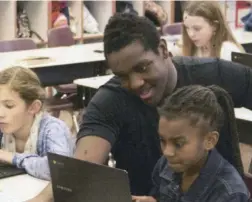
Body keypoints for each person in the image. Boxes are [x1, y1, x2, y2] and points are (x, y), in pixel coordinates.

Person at [29, 13, 252, 201]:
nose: (135, 83)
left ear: (163, 50)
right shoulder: (110, 101)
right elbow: (78, 172)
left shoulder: (217, 75)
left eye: (143, 67)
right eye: (122, 76)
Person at [132, 85, 249, 202]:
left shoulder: (229, 193)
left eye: (178, 144)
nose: (167, 152)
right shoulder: (166, 164)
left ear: (209, 141)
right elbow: (158, 194)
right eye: (163, 140)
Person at [0, 66, 73, 180]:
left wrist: (11, 158)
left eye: (9, 106)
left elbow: (59, 168)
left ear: (33, 107)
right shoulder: (3, 126)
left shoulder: (53, 129)